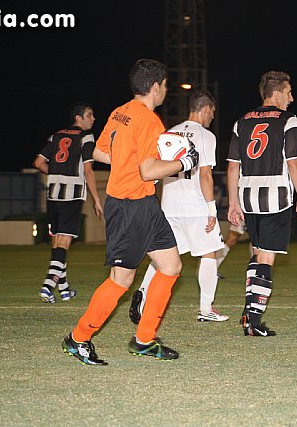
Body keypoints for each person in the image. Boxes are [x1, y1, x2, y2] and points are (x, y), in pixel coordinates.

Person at [61, 58, 199, 365]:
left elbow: (99, 152)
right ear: (155, 87)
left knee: (171, 266)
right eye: (165, 85)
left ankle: (144, 340)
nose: (165, 91)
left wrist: (131, 161)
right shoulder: (149, 120)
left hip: (144, 204)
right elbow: (149, 170)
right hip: (129, 205)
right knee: (121, 279)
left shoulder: (119, 112)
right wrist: (183, 163)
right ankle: (78, 338)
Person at [131, 90, 229, 323]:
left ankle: (142, 293)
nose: (211, 118)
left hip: (170, 205)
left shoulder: (169, 132)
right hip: (194, 206)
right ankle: (206, 309)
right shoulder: (205, 136)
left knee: (162, 256)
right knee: (209, 253)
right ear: (205, 109)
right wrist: (212, 210)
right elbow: (205, 175)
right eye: (212, 113)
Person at [227, 70, 297, 337]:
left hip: (248, 197)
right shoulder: (288, 119)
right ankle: (253, 321)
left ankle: (248, 310)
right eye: (288, 92)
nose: (291, 98)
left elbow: (232, 167)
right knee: (267, 258)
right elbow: (293, 161)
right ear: (276, 92)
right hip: (276, 196)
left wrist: (233, 202)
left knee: (257, 252)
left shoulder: (242, 121)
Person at [34, 102, 103, 304]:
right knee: (64, 241)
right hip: (72, 194)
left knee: (57, 240)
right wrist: (96, 200)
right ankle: (48, 285)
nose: (93, 118)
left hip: (53, 192)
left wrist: (56, 173)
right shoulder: (86, 137)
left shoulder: (55, 136)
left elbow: (38, 162)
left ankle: (63, 289)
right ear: (78, 118)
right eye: (90, 115)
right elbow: (88, 171)